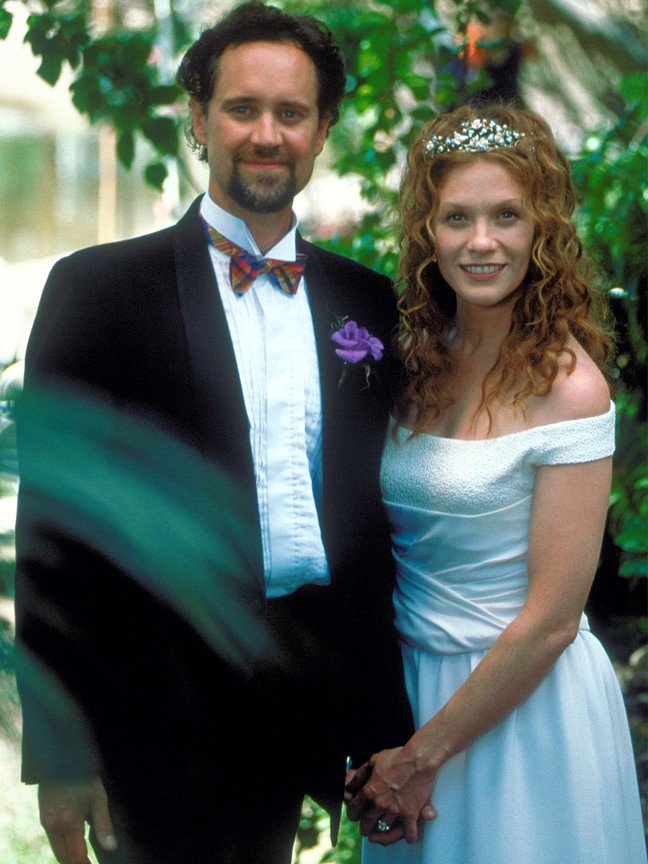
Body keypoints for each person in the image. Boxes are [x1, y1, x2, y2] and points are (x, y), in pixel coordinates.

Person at [14, 3, 413, 863]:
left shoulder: (367, 303)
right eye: (242, 108)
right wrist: (61, 754)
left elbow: (372, 523)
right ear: (198, 119)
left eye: (291, 112)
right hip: (147, 730)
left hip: (298, 721)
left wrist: (381, 722)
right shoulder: (96, 291)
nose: (267, 134)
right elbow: (53, 533)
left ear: (322, 129)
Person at [345, 104, 647, 864]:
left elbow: (551, 621)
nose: (481, 242)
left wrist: (420, 759)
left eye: (507, 215)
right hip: (410, 702)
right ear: (427, 230)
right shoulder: (410, 361)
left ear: (542, 228)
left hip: (523, 710)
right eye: (458, 217)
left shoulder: (570, 389)